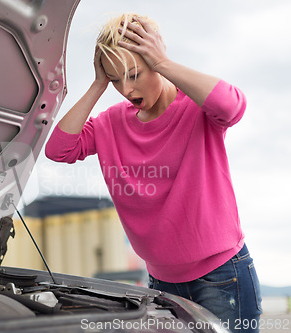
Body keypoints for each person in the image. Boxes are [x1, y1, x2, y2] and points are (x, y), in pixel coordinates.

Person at [45, 13, 262, 333]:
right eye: (116, 79)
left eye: (134, 74)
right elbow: (58, 150)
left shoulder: (196, 108)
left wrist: (163, 61)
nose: (125, 88)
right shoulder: (110, 123)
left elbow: (232, 107)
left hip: (221, 277)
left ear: (156, 61)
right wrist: (97, 85)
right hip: (161, 282)